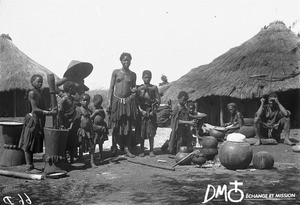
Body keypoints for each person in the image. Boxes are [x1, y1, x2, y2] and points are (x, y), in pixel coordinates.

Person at [18, 74, 57, 172]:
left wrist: (49, 109)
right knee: (29, 142)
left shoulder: (40, 93)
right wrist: (49, 112)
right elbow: (35, 109)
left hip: (39, 120)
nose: (40, 83)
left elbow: (41, 108)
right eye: (38, 81)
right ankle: (29, 167)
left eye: (41, 82)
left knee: (33, 143)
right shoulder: (32, 93)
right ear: (32, 82)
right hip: (33, 120)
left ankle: (31, 165)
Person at [107, 52, 138, 158]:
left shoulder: (133, 74)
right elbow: (111, 88)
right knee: (115, 126)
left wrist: (134, 91)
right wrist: (109, 102)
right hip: (116, 101)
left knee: (128, 126)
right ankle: (114, 148)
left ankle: (127, 149)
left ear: (131, 61)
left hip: (128, 103)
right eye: (124, 60)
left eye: (128, 60)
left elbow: (134, 89)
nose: (126, 62)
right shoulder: (116, 72)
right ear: (121, 61)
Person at [136, 70, 161, 157]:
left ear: (151, 78)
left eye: (149, 77)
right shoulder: (139, 88)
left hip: (151, 112)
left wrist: (153, 111)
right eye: (145, 77)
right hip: (142, 112)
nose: (147, 79)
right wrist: (140, 111)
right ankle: (142, 150)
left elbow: (158, 100)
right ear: (142, 77)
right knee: (141, 132)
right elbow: (136, 102)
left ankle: (151, 150)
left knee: (151, 132)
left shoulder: (154, 88)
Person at [57, 81, 81, 164]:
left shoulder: (72, 99)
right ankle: (65, 160)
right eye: (74, 88)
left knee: (72, 141)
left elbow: (74, 112)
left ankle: (71, 159)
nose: (76, 90)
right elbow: (60, 113)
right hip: (64, 124)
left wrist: (72, 123)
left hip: (71, 124)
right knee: (65, 142)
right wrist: (62, 124)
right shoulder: (64, 100)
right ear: (70, 88)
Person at [76, 93, 96, 167]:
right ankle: (81, 159)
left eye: (87, 101)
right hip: (82, 130)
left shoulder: (89, 110)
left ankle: (92, 161)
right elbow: (75, 120)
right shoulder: (78, 110)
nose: (86, 102)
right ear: (80, 101)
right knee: (81, 146)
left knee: (91, 146)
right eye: (84, 100)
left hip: (89, 130)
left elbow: (90, 119)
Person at [90, 94, 109, 160]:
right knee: (94, 142)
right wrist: (95, 113)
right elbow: (89, 118)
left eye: (100, 103)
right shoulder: (91, 108)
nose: (98, 104)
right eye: (97, 103)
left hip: (101, 127)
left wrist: (101, 112)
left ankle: (101, 155)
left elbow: (103, 117)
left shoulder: (100, 108)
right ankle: (92, 158)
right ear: (93, 101)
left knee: (101, 142)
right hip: (94, 128)